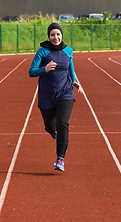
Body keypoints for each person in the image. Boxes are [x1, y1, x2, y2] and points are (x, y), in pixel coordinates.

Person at [29, 23, 81, 171]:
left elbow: (71, 68)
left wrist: (75, 82)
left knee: (63, 123)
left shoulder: (68, 51)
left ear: (62, 35)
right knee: (50, 127)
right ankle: (53, 132)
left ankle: (60, 159)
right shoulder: (42, 52)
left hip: (65, 93)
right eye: (52, 35)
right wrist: (44, 69)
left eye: (58, 34)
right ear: (49, 36)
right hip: (47, 95)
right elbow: (31, 72)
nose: (55, 37)